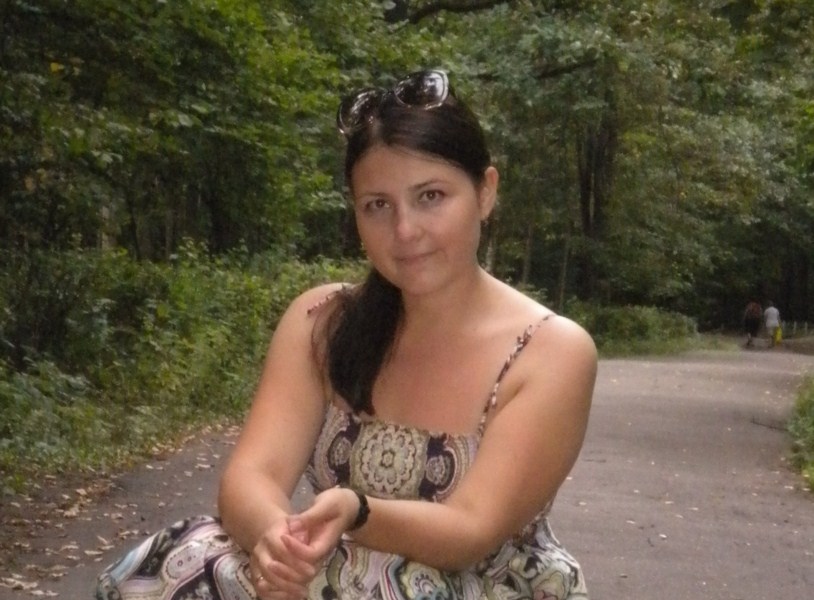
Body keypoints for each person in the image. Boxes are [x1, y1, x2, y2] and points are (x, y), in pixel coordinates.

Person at [95, 69, 597, 600]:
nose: (404, 230)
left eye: (430, 196)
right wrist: (279, 545)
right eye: (378, 205)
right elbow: (253, 475)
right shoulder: (323, 322)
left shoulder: (550, 351)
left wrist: (357, 512)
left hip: (472, 584)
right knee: (189, 560)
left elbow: (470, 532)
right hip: (329, 570)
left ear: (486, 192)